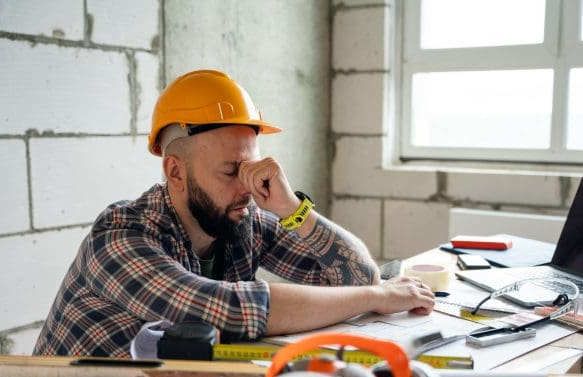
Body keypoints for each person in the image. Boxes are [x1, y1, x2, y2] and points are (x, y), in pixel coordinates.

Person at [33, 69, 435, 357]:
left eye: (250, 169)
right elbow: (228, 309)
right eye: (230, 171)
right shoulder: (121, 237)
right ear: (175, 170)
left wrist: (292, 209)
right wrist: (379, 295)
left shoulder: (243, 219)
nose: (246, 186)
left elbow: (355, 276)